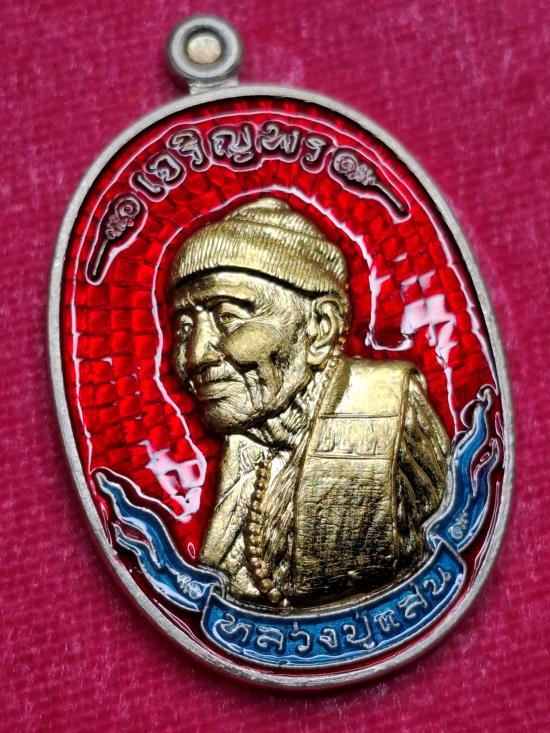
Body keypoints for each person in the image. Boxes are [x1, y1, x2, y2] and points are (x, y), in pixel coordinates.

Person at [168, 196, 449, 610]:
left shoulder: (386, 411)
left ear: (320, 328)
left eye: (228, 317)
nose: (194, 356)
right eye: (183, 329)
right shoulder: (253, 442)